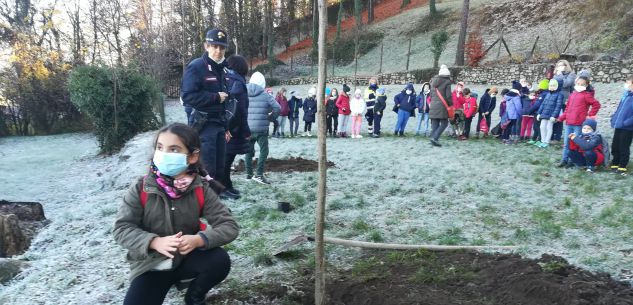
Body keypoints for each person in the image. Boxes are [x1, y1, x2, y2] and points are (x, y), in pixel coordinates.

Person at [113, 123, 239, 305]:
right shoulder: (141, 188)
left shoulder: (200, 188)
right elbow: (121, 228)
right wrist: (154, 242)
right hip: (151, 266)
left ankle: (194, 297)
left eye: (173, 149)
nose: (164, 154)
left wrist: (199, 240)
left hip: (187, 259)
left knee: (219, 261)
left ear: (193, 156)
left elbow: (229, 226)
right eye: (159, 148)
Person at [181, 29, 230, 182]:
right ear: (206, 46)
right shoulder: (196, 67)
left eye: (222, 47)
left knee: (220, 166)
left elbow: (225, 103)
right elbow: (188, 96)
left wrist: (226, 126)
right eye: (214, 46)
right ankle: (205, 202)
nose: (218, 51)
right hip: (203, 125)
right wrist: (215, 97)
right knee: (208, 169)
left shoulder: (222, 68)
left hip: (219, 124)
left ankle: (217, 199)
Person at [219, 55, 251, 200]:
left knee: (226, 158)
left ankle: (227, 185)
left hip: (228, 126)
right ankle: (223, 187)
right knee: (226, 158)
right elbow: (240, 110)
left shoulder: (227, 78)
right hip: (233, 127)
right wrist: (245, 130)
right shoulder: (237, 83)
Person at [557, 76, 601, 168]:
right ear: (575, 84)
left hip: (579, 124)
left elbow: (596, 104)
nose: (579, 85)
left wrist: (590, 115)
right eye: (578, 84)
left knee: (576, 143)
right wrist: (561, 118)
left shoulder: (586, 95)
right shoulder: (572, 95)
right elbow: (567, 109)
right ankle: (564, 160)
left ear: (586, 85)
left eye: (582, 84)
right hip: (569, 123)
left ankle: (571, 161)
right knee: (567, 143)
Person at [244, 72, 280, 185]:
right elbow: (278, 108)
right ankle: (259, 174)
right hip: (261, 129)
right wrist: (270, 118)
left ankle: (249, 175)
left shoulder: (243, 92)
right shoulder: (265, 95)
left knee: (248, 151)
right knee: (264, 151)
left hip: (247, 128)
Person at [610, 76, 633, 176]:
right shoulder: (626, 95)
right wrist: (614, 118)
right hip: (618, 125)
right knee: (615, 144)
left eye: (628, 83)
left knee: (624, 146)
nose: (626, 85)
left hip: (628, 128)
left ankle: (622, 165)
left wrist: (626, 123)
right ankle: (615, 162)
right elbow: (619, 109)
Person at [552, 60, 576, 142]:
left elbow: (566, 84)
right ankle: (554, 136)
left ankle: (568, 136)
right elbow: (554, 85)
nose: (560, 67)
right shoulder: (556, 75)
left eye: (562, 65)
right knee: (556, 117)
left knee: (565, 117)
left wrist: (560, 75)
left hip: (566, 99)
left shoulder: (571, 74)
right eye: (558, 65)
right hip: (556, 98)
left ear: (566, 66)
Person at [428, 64, 453, 147]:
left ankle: (433, 139)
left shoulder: (433, 82)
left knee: (435, 122)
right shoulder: (447, 82)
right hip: (442, 106)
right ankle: (435, 138)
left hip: (433, 105)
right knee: (444, 123)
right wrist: (450, 104)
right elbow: (448, 96)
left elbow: (431, 95)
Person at [536, 79, 563, 148]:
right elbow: (543, 104)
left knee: (549, 127)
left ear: (557, 86)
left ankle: (546, 141)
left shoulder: (559, 95)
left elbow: (558, 106)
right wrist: (539, 113)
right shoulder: (547, 94)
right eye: (550, 85)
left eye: (553, 86)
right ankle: (543, 140)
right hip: (544, 113)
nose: (552, 87)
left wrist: (554, 116)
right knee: (542, 127)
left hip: (551, 115)